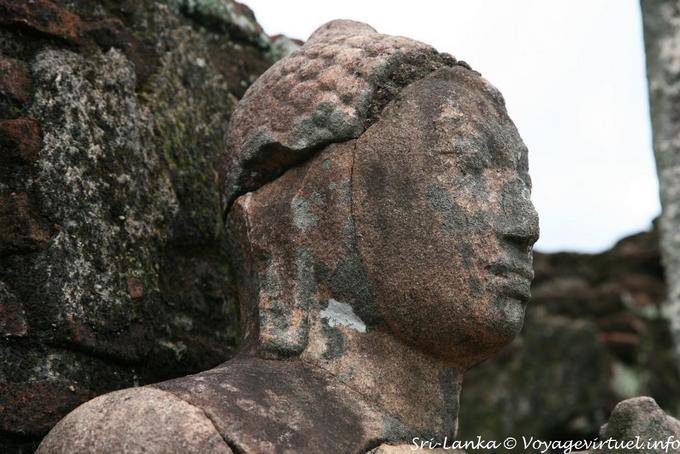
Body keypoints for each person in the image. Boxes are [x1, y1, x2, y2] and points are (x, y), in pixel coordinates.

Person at [38, 20, 538, 453]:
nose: (525, 225)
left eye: (522, 182)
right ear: (311, 212)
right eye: (468, 167)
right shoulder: (157, 433)